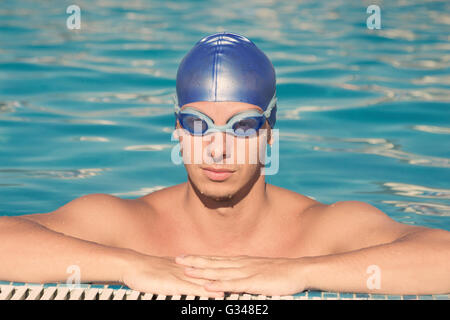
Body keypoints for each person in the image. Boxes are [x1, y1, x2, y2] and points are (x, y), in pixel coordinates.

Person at [0, 32, 448, 298]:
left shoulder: (324, 230)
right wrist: (127, 265)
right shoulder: (124, 224)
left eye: (243, 126)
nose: (218, 148)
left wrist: (300, 271)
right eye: (198, 124)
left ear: (270, 132)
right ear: (176, 130)